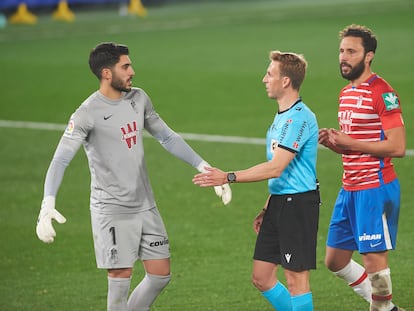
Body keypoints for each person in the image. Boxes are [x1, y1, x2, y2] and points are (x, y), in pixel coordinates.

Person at [35, 42, 232, 311]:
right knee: (120, 278)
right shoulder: (86, 114)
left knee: (160, 274)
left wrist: (205, 168)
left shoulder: (139, 99)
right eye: (125, 66)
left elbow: (167, 136)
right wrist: (48, 204)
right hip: (112, 210)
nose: (132, 71)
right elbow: (61, 158)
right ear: (106, 73)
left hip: (145, 204)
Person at [193, 51, 320, 311]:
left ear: (285, 81)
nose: (264, 79)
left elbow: (276, 167)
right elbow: (283, 173)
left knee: (296, 279)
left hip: (298, 204)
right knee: (261, 277)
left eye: (270, 74)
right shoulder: (281, 117)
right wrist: (267, 206)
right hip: (280, 202)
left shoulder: (299, 117)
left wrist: (228, 176)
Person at [318, 24, 406, 311]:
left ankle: (382, 308)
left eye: (351, 52)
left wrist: (350, 141)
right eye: (342, 51)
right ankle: (386, 307)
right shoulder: (345, 93)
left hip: (375, 188)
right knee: (335, 260)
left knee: (374, 262)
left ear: (368, 56)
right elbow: (356, 145)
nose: (344, 57)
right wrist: (336, 145)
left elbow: (397, 147)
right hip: (349, 189)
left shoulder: (383, 92)